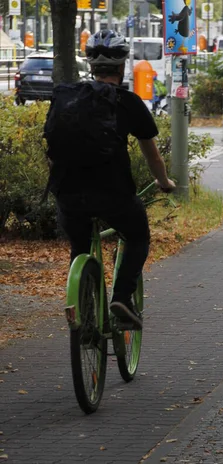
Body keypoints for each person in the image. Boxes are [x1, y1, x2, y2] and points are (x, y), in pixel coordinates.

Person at [45, 30, 175, 329]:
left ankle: (83, 309)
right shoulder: (128, 102)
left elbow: (52, 148)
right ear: (122, 65)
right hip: (113, 193)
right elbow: (152, 156)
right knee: (138, 236)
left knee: (80, 245)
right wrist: (165, 182)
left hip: (68, 194)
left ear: (90, 65)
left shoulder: (67, 98)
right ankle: (121, 298)